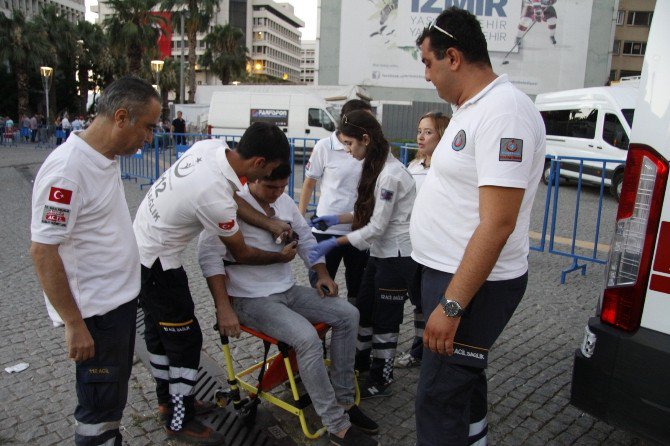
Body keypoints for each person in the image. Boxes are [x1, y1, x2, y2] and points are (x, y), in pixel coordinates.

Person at [412, 8, 546, 445]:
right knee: (463, 385)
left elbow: (499, 221)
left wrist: (452, 307)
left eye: (428, 63)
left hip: (472, 285)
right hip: (451, 274)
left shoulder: (504, 112)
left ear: (453, 57)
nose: (427, 76)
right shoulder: (470, 108)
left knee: (438, 398)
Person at [133, 122, 294, 445]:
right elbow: (240, 251)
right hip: (157, 264)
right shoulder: (212, 194)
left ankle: (171, 402)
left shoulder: (211, 148)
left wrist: (269, 222)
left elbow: (234, 198)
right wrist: (280, 257)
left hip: (140, 250)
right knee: (185, 341)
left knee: (162, 337)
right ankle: (178, 419)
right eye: (270, 171)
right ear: (259, 163)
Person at [197, 164, 380, 446]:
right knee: (306, 337)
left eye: (282, 187)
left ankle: (344, 402)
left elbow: (306, 238)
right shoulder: (230, 207)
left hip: (287, 291)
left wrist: (321, 273)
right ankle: (337, 426)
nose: (278, 193)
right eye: (271, 188)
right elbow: (208, 257)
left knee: (348, 314)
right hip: (250, 299)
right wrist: (223, 307)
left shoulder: (283, 201)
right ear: (252, 180)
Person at [29, 77, 161, 445]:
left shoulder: (103, 156)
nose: (150, 137)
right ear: (121, 117)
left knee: (110, 403)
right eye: (148, 127)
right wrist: (74, 323)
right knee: (98, 413)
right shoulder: (67, 171)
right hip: (95, 316)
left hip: (115, 306)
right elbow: (43, 250)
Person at [309, 110, 417, 399]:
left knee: (386, 317)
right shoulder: (377, 168)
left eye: (349, 144)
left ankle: (382, 377)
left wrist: (335, 243)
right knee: (364, 307)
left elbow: (377, 227)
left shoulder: (390, 175)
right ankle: (361, 364)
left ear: (365, 140)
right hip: (380, 254)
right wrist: (334, 219)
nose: (347, 150)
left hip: (397, 255)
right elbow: (364, 214)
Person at [297, 99, 373, 303]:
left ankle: (356, 329)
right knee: (322, 286)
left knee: (358, 285)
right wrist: (300, 219)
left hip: (358, 228)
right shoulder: (324, 146)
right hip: (326, 229)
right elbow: (309, 184)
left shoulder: (369, 148)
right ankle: (318, 332)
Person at [395, 110, 450, 369]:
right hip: (411, 247)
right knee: (418, 302)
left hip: (436, 248)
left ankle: (428, 352)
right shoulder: (414, 166)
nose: (421, 137)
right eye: (419, 131)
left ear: (442, 135)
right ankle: (420, 349)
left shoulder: (446, 168)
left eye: (428, 132)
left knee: (430, 304)